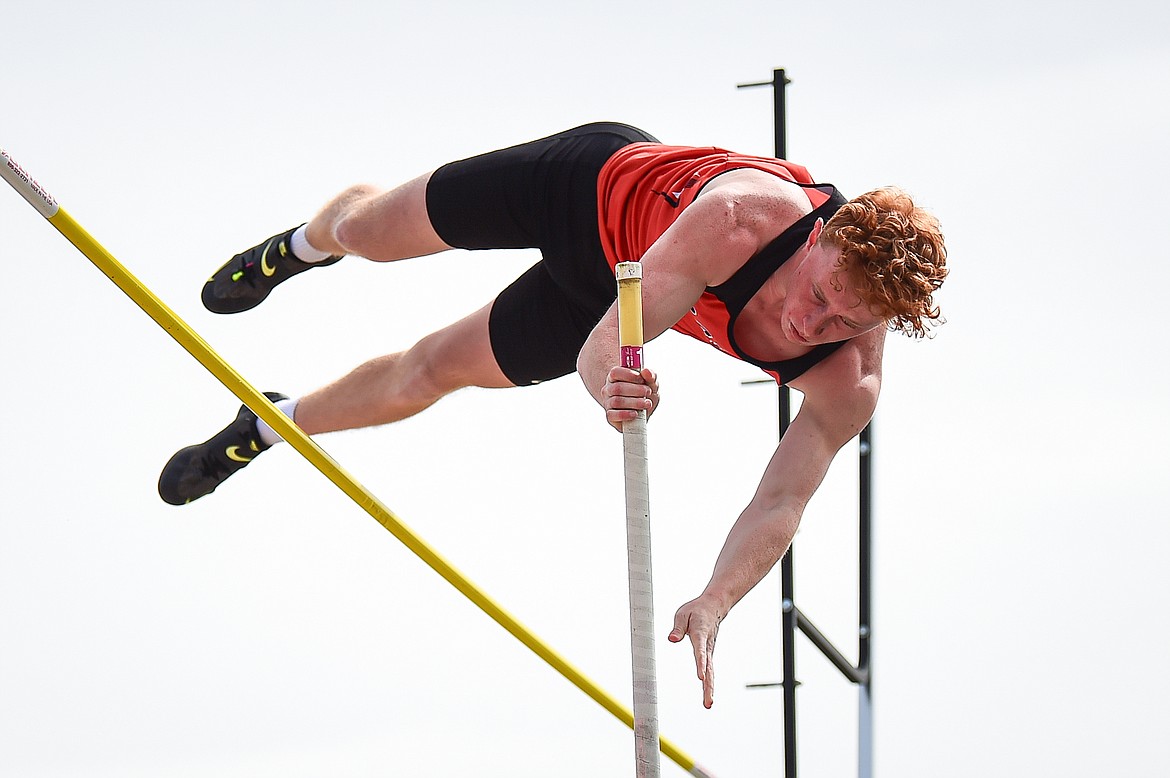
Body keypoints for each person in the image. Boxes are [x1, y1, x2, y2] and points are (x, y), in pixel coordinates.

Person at [158, 121, 947, 708]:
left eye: (845, 323)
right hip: (583, 190)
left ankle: (265, 424)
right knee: (372, 233)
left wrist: (715, 599)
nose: (813, 327)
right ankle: (302, 246)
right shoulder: (740, 219)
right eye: (818, 296)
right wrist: (611, 385)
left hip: (609, 294)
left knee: (430, 370)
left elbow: (783, 499)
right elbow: (605, 349)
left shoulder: (849, 381)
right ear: (823, 239)